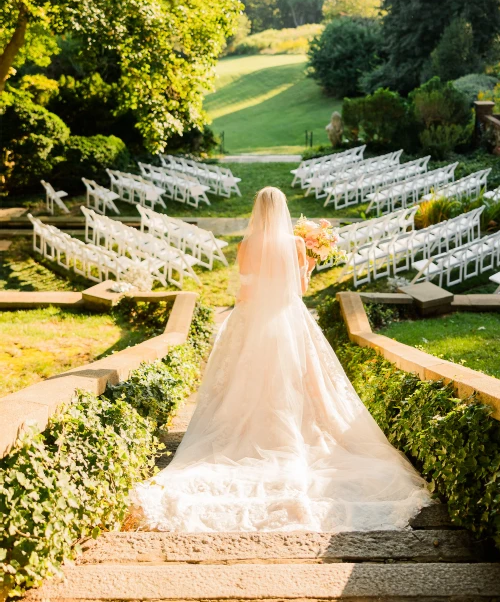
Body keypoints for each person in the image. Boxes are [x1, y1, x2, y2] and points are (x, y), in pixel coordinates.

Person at [133, 186, 431, 531]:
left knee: (247, 380)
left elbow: (245, 290)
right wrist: (311, 264)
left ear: (257, 210)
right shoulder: (296, 244)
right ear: (284, 210)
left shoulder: (245, 246)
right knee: (299, 380)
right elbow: (300, 289)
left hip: (254, 319)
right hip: (289, 320)